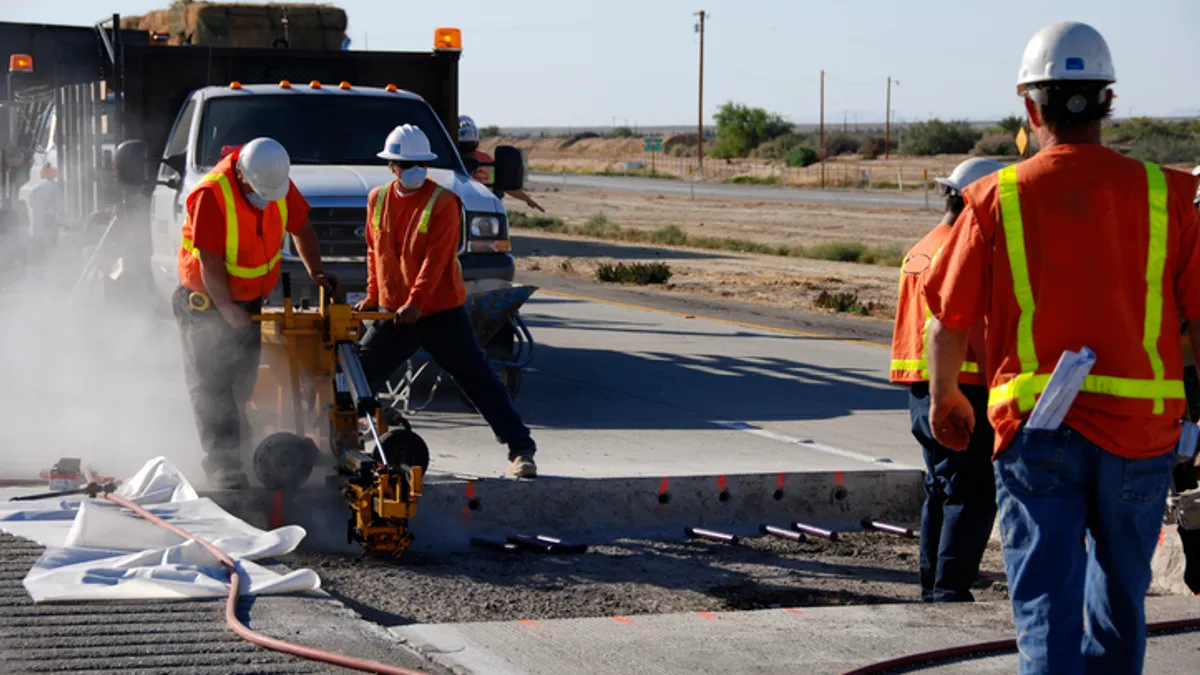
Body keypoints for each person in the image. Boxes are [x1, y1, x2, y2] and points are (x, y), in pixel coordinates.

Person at [922, 21, 1200, 674]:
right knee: (1120, 606)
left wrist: (944, 400)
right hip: (1141, 435)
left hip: (1037, 432)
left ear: (1029, 105)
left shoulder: (995, 198)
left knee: (1047, 607)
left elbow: (945, 322)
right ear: (1107, 101)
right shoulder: (1168, 195)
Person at [354, 124, 539, 479]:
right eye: (405, 164)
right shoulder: (377, 198)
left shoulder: (444, 201)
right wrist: (374, 295)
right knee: (357, 379)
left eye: (419, 163)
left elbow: (436, 261)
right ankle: (356, 433)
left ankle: (521, 449)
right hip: (396, 313)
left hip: (440, 312)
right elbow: (375, 251)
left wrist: (416, 302)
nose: (413, 170)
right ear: (391, 166)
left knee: (478, 380)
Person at [174, 137, 332, 489]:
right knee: (212, 385)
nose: (266, 200)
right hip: (206, 301)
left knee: (241, 382)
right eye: (260, 193)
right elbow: (210, 262)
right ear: (243, 176)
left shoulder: (275, 181)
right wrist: (226, 307)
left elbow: (303, 229)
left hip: (247, 301)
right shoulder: (211, 195)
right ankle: (223, 465)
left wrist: (317, 273)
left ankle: (240, 452)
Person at [890, 157, 1003, 603]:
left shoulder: (920, 248)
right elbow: (966, 327)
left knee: (940, 489)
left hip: (924, 389)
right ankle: (950, 591)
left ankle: (934, 587)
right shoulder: (962, 252)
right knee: (972, 494)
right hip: (964, 388)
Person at [457, 115, 545, 212]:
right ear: (477, 141)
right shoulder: (486, 160)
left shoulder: (485, 161)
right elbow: (506, 185)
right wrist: (528, 200)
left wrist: (528, 199)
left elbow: (504, 184)